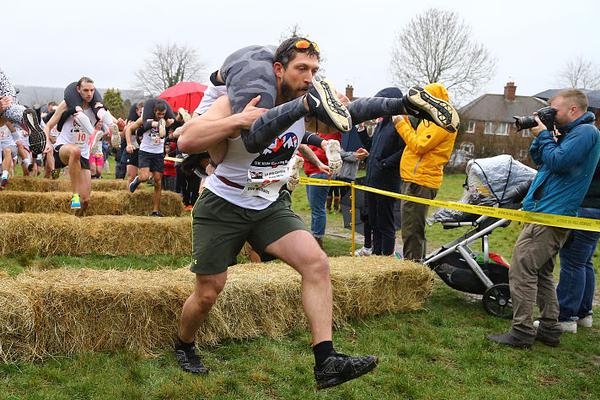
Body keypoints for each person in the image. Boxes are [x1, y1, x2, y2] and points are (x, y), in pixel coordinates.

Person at [174, 37, 384, 390]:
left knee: (316, 263)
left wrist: (405, 104)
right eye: (301, 68)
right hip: (224, 203)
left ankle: (326, 361)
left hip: (270, 203)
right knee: (209, 292)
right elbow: (187, 141)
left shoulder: (309, 106)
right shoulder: (242, 97)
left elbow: (350, 115)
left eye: (314, 70)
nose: (308, 76)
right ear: (278, 69)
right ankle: (184, 343)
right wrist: (239, 119)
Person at [487, 89, 600, 349]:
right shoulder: (570, 132)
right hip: (545, 209)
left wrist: (547, 136)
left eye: (555, 110)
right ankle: (550, 328)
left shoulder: (586, 133)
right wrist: (543, 135)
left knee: (522, 269)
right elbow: (541, 160)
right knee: (542, 273)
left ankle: (522, 331)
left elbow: (560, 162)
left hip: (552, 213)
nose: (552, 114)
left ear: (573, 110)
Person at [393, 83, 457, 261]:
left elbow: (419, 146)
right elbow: (417, 138)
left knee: (412, 231)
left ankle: (412, 271)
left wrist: (400, 125)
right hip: (414, 179)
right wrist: (404, 119)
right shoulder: (431, 118)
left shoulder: (443, 120)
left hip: (420, 182)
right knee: (412, 229)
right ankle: (416, 268)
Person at [550, 162, 600, 333]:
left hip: (585, 207)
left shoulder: (592, 140)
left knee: (572, 263)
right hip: (595, 209)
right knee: (584, 262)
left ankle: (565, 316)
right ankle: (584, 314)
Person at [43, 77, 100, 214]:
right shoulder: (67, 104)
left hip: (84, 153)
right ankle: (74, 195)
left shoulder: (96, 108)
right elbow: (48, 125)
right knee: (75, 151)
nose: (89, 94)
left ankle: (76, 221)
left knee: (86, 200)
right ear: (78, 89)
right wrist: (47, 143)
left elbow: (113, 125)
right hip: (64, 146)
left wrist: (120, 125)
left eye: (92, 90)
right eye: (85, 90)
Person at [359, 87, 406, 256]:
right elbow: (371, 146)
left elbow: (404, 150)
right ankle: (376, 256)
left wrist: (384, 164)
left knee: (385, 223)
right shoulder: (381, 123)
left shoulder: (400, 123)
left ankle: (386, 258)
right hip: (372, 180)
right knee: (373, 220)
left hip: (387, 182)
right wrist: (362, 129)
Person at [125, 98, 175, 216]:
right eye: (158, 114)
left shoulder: (166, 121)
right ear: (154, 111)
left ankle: (155, 211)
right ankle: (137, 180)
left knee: (158, 181)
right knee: (145, 177)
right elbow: (129, 129)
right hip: (145, 151)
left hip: (158, 153)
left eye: (163, 114)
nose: (160, 116)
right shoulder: (145, 119)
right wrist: (128, 144)